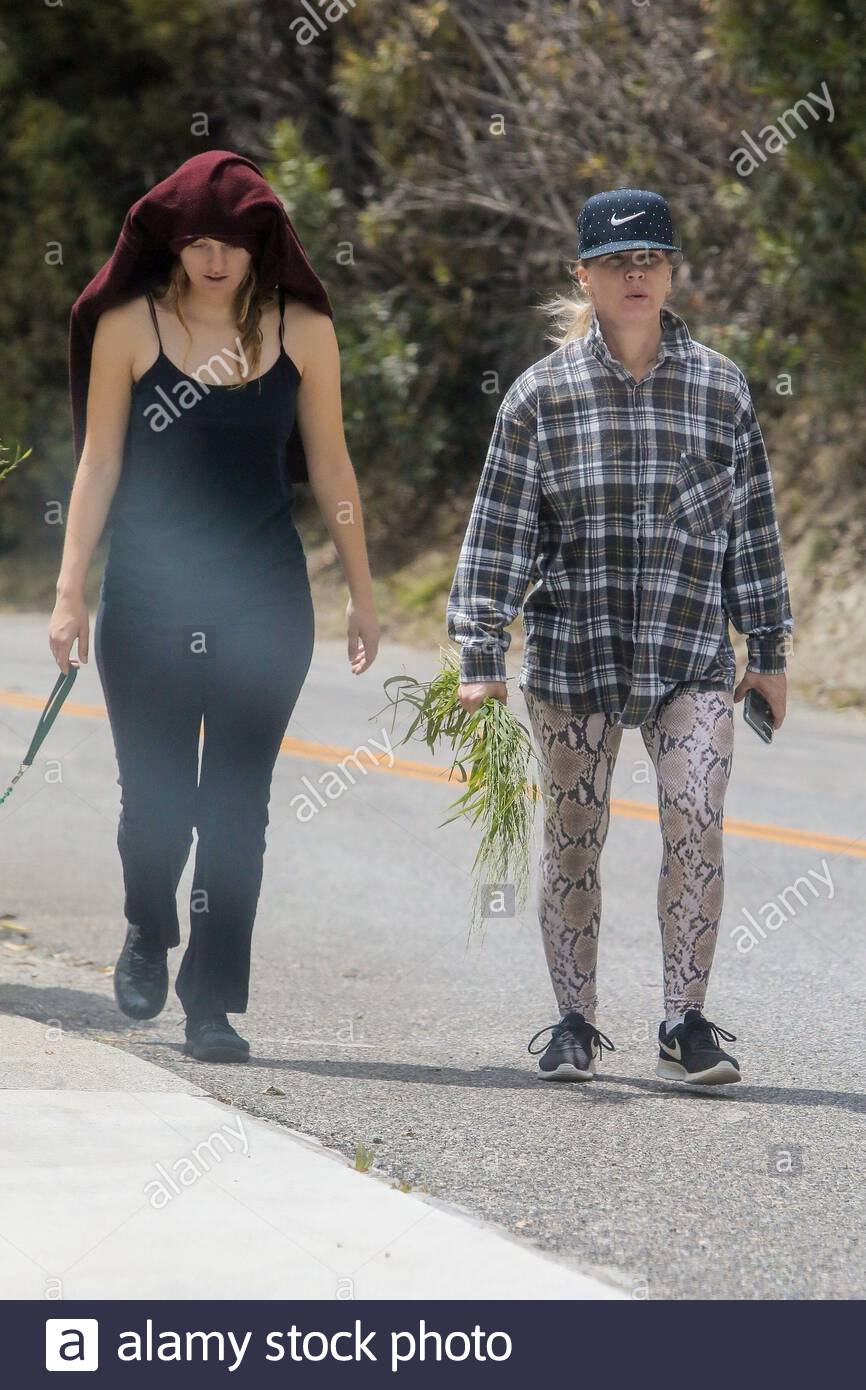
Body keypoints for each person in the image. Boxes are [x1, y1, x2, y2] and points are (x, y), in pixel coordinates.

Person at [446, 188, 793, 1086]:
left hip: (692, 658)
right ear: (585, 276)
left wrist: (772, 652)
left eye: (651, 261)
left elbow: (751, 524)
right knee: (573, 835)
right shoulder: (539, 398)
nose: (635, 276)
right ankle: (573, 1022)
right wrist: (480, 657)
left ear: (671, 273)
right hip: (575, 655)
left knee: (697, 821)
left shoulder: (720, 388)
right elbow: (498, 532)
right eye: (616, 263)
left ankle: (686, 1022)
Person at [51, 151, 380, 1063]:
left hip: (265, 601)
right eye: (197, 240)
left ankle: (211, 1003)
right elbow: (100, 463)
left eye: (233, 240)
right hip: (149, 598)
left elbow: (333, 468)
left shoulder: (303, 330)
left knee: (236, 808)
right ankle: (148, 928)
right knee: (155, 803)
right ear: (171, 242)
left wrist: (360, 590)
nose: (215, 257)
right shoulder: (128, 327)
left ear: (262, 242)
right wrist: (70, 588)